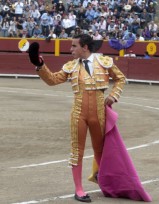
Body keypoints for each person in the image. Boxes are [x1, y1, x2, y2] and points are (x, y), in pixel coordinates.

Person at [28, 34, 126, 202]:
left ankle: (105, 183)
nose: (71, 49)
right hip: (79, 113)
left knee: (101, 150)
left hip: (99, 112)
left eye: (74, 46)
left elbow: (120, 79)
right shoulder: (71, 66)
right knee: (77, 151)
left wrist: (113, 96)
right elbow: (52, 80)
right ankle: (79, 189)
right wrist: (39, 65)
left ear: (85, 47)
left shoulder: (104, 62)